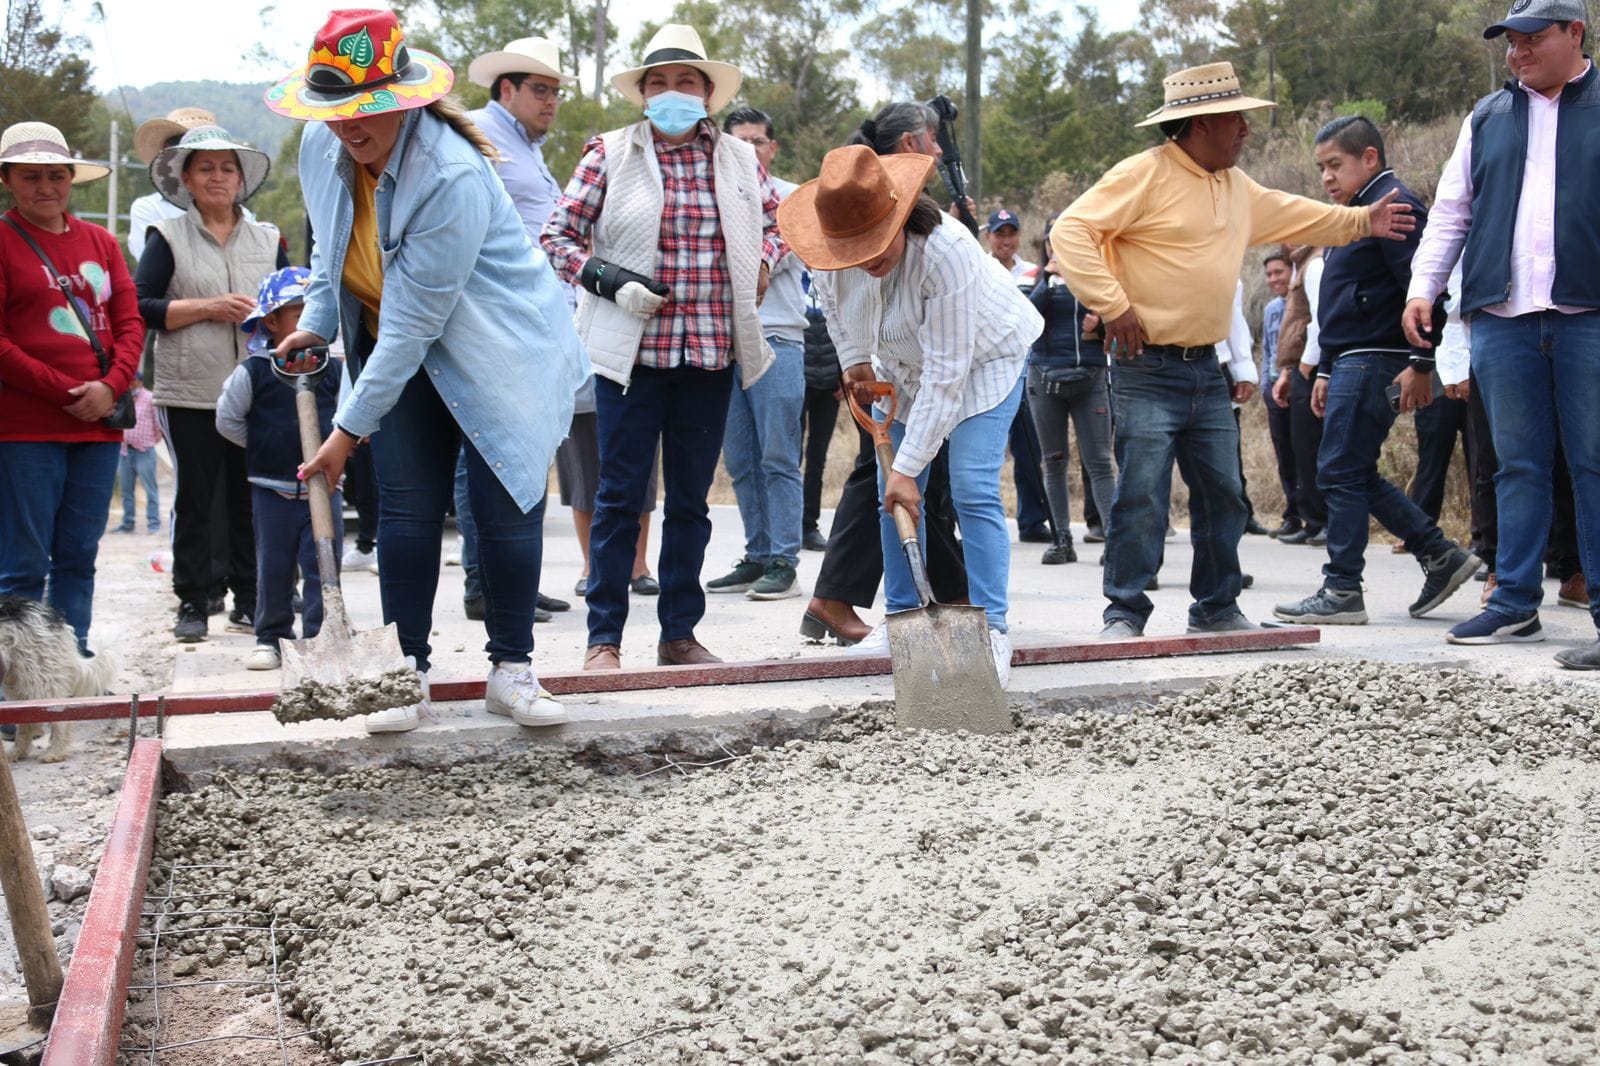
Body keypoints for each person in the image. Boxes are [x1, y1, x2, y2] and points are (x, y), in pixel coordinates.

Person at [270, 8, 587, 731]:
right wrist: (318, 324)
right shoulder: (321, 151)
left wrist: (346, 431)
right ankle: (405, 673)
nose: (350, 125)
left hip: (500, 347)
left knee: (507, 505)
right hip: (399, 348)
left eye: (367, 109)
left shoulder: (449, 173)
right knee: (407, 510)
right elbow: (331, 254)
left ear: (404, 98)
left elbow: (418, 320)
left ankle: (512, 669)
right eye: (335, 110)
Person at [1053, 61, 1417, 638]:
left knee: (1225, 494)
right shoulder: (1142, 174)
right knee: (1143, 494)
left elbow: (1298, 212)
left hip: (1205, 369)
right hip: (1145, 368)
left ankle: (1217, 607)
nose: (1247, 130)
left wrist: (1360, 221)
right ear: (1200, 125)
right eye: (1236, 120)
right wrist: (1113, 303)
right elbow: (1069, 231)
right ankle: (1124, 611)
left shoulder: (1235, 185)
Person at [542, 23, 785, 670]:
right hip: (631, 360)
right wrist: (608, 280)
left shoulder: (737, 158)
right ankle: (604, 639)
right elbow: (558, 237)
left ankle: (679, 632)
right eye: (658, 83)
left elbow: (778, 223)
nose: (672, 92)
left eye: (685, 82)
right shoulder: (609, 153)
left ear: (707, 93)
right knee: (621, 498)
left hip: (710, 354)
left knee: (689, 502)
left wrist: (762, 262)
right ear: (642, 95)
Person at [779, 145, 1045, 686]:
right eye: (853, 248)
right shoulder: (828, 248)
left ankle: (992, 630)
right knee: (889, 494)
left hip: (982, 363)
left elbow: (948, 375)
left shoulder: (947, 253)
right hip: (899, 368)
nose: (865, 257)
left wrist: (909, 467)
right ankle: (902, 620)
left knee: (971, 487)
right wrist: (854, 362)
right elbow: (833, 306)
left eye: (874, 242)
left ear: (900, 213)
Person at [1403, 0, 1600, 663]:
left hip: (1589, 318)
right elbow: (1452, 211)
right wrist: (1423, 286)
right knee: (1513, 466)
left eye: (1532, 39)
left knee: (1595, 464)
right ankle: (1514, 603)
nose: (1517, 54)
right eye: (1510, 43)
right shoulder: (1486, 119)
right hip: (1502, 319)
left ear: (1576, 33)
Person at [1273, 116, 1479, 626]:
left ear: (1369, 158)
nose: (1326, 177)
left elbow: (1428, 284)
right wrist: (1322, 371)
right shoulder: (1359, 213)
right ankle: (1440, 554)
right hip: (1352, 359)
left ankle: (1343, 587)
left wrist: (1421, 361)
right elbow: (1340, 303)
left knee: (1339, 470)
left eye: (1335, 165)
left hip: (1377, 359)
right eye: (1321, 167)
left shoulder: (1395, 205)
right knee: (1352, 469)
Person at [800, 102, 970, 646]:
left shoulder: (922, 229)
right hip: (897, 370)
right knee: (903, 475)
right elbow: (829, 290)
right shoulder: (856, 213)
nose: (940, 151)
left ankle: (929, 595)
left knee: (901, 475)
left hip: (916, 367)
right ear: (907, 149)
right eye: (932, 140)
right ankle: (944, 598)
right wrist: (853, 357)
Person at [0, 122, 143, 655]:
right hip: (24, 429)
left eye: (56, 176)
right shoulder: (3, 239)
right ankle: (18, 695)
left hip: (98, 429)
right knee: (23, 565)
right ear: (9, 180)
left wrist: (112, 385)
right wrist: (66, 391)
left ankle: (66, 673)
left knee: (79, 557)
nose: (46, 187)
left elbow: (129, 321)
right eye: (31, 176)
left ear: (71, 180)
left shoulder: (101, 243)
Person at [136, 125, 283, 642]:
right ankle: (194, 603)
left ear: (241, 179)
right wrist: (209, 307)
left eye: (227, 168)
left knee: (252, 498)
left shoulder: (268, 240)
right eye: (206, 168)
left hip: (257, 391)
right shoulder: (168, 238)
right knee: (196, 499)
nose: (217, 177)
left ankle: (251, 598)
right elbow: (141, 305)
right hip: (189, 389)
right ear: (187, 180)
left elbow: (290, 306)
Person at [461, 35, 589, 623]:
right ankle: (482, 584)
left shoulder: (527, 148)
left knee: (521, 451)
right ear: (506, 89)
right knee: (483, 451)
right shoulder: (476, 136)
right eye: (540, 91)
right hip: (490, 318)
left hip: (530, 320)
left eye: (556, 93)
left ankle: (513, 580)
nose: (551, 103)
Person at [215, 267, 343, 671]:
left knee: (324, 562)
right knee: (274, 564)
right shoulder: (254, 372)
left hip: (325, 489)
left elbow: (346, 418)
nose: (309, 325)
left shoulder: (336, 372)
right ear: (270, 322)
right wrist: (263, 446)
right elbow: (228, 420)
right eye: (298, 314)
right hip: (272, 490)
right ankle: (270, 635)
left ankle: (323, 635)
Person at [707, 106, 807, 601]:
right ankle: (758, 553)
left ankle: (784, 560)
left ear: (773, 147)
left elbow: (781, 252)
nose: (750, 150)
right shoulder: (715, 192)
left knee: (778, 455)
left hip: (778, 338)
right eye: (738, 142)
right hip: (726, 343)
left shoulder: (791, 200)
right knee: (741, 460)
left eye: (758, 141)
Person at [1025, 215, 1115, 566]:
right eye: (1052, 239)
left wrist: (1102, 322)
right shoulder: (1036, 278)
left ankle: (1114, 539)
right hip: (1045, 378)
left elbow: (1124, 315)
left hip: (1090, 377)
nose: (1057, 245)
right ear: (1046, 244)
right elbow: (1027, 319)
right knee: (1053, 462)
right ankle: (1061, 538)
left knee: (1101, 463)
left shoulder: (1098, 274)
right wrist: (1048, 279)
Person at [1271, 244, 1329, 545]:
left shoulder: (1315, 265)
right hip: (1299, 369)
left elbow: (1320, 318)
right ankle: (1312, 520)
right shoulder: (1301, 266)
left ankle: (1323, 520)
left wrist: (1307, 365)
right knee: (1301, 448)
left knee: (1312, 447)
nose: (1287, 239)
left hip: (1312, 367)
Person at [1259, 251, 1299, 538]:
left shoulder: (1302, 303)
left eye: (1279, 272)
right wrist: (1264, 385)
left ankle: (1314, 515)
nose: (1274, 279)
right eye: (1269, 274)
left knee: (1304, 453)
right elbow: (1267, 350)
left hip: (1297, 386)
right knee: (1284, 455)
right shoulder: (1272, 309)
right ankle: (1293, 515)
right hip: (1273, 389)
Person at [799, 279, 838, 553]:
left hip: (831, 384)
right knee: (790, 457)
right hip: (797, 380)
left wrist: (844, 373)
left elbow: (846, 325)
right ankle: (787, 526)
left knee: (817, 458)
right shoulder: (794, 274)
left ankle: (808, 525)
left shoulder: (834, 272)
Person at [116, 382, 162, 533]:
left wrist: (149, 442)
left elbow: (158, 425)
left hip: (144, 451)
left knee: (150, 489)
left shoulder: (150, 398)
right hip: (125, 450)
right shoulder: (123, 397)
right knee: (126, 490)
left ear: (139, 381)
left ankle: (153, 524)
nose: (129, 383)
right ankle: (128, 523)